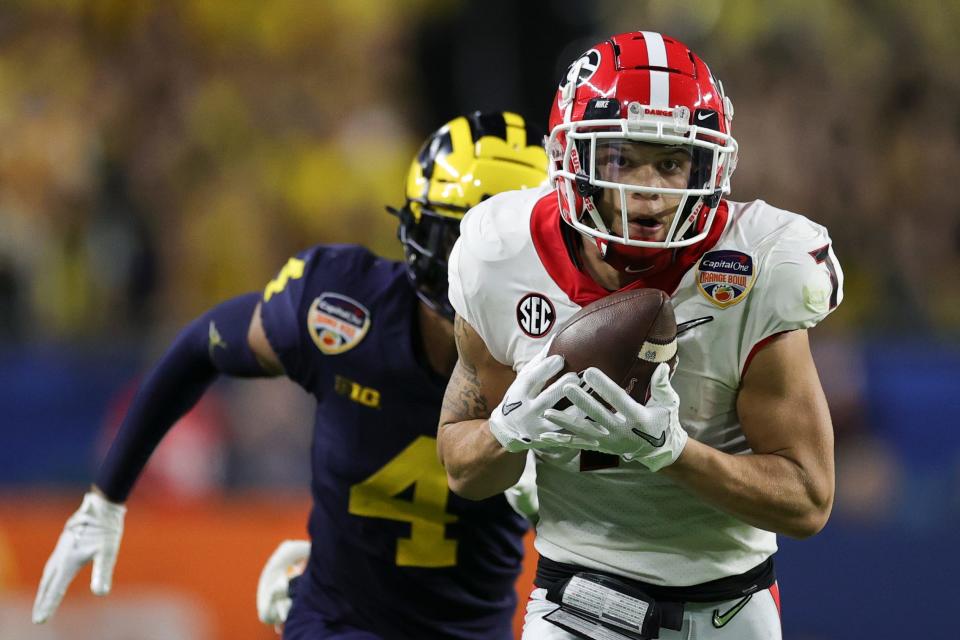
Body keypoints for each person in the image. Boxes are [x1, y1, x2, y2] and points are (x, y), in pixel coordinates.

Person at [33, 111, 548, 639]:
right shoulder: (345, 311)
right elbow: (202, 346)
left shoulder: (565, 346)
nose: (473, 270)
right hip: (340, 624)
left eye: (497, 250)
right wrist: (106, 496)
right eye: (457, 240)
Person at [438, 31, 843, 640]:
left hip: (728, 609)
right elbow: (464, 473)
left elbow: (809, 501)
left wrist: (672, 452)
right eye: (621, 158)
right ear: (572, 161)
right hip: (573, 597)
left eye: (672, 163)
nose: (647, 189)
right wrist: (506, 432)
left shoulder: (758, 266)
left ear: (708, 168)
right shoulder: (500, 255)